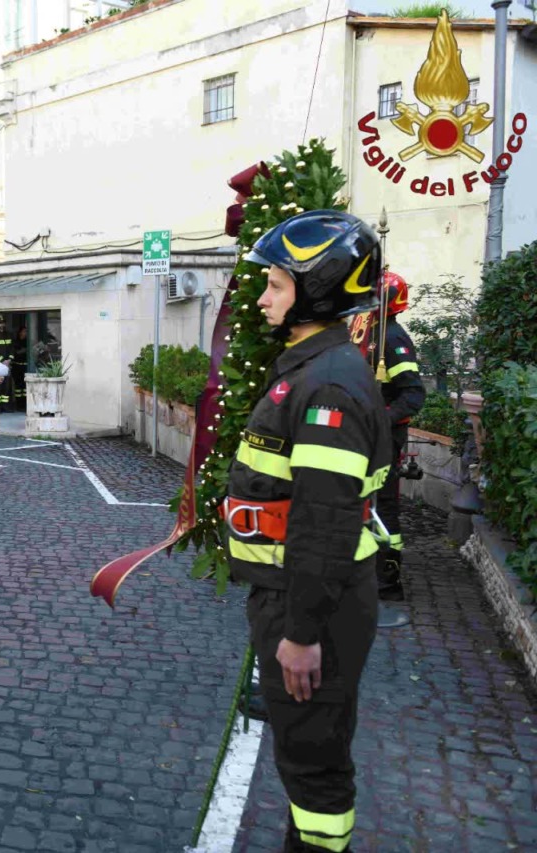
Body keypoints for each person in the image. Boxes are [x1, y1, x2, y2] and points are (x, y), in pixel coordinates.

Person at [226, 210, 389, 852]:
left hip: (313, 601)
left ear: (316, 289)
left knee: (312, 762)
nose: (263, 298)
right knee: (306, 750)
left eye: (275, 285)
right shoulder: (317, 367)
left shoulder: (326, 385)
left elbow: (324, 523)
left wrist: (300, 634)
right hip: (296, 591)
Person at [371, 271, 425, 608]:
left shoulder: (393, 340)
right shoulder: (370, 335)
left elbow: (413, 395)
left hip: (385, 437)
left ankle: (388, 582)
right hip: (365, 435)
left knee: (384, 507)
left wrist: (380, 419)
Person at [11, 324, 29, 411]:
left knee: (25, 387)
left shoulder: (28, 341)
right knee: (18, 388)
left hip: (26, 366)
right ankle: (19, 405)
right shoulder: (16, 341)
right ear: (20, 332)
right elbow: (15, 353)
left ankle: (25, 405)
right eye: (24, 331)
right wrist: (23, 350)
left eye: (26, 331)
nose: (25, 333)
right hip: (17, 366)